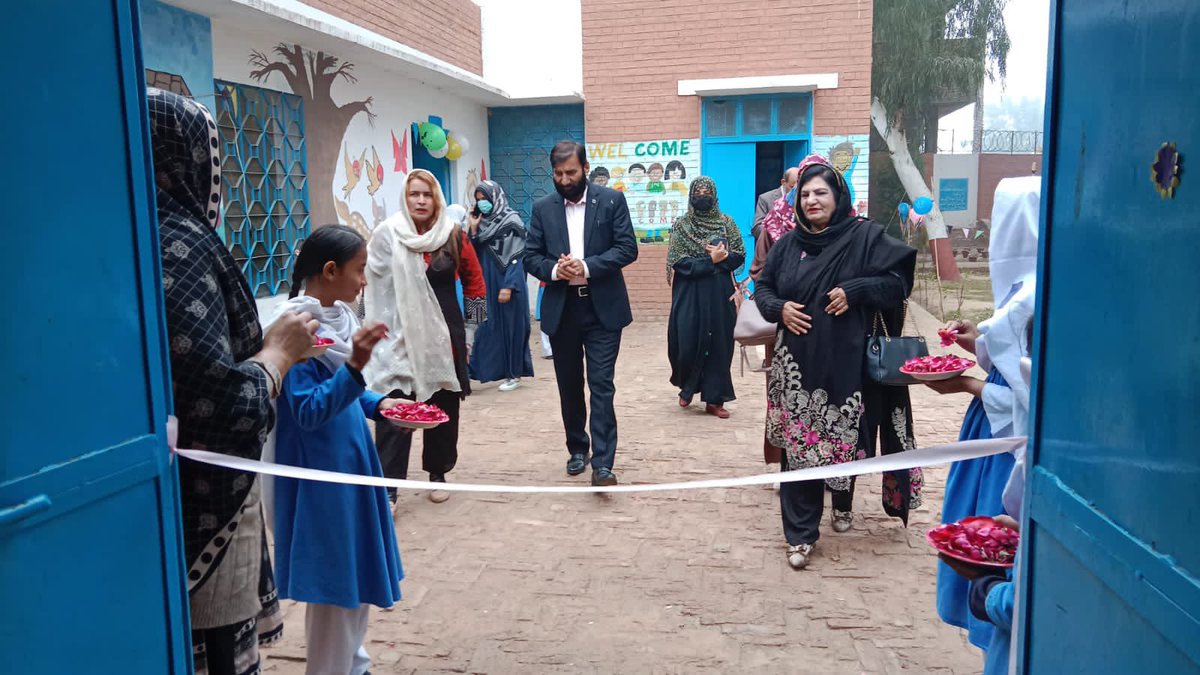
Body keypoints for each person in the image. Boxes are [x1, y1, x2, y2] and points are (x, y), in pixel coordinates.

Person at [147, 88, 317, 675]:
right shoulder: (183, 246)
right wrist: (276, 355)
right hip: (202, 516)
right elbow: (223, 404)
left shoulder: (126, 237)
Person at [754, 154, 922, 570]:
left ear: (838, 196)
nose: (812, 200)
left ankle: (842, 501)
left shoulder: (865, 237)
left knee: (847, 440)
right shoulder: (789, 244)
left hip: (848, 364)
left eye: (821, 193)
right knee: (800, 446)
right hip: (797, 366)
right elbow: (762, 287)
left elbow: (898, 281)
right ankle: (800, 534)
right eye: (805, 194)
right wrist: (779, 310)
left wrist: (857, 290)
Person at [271, 225, 405, 675]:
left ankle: (354, 664)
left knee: (358, 578)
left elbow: (345, 391)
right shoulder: (294, 333)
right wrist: (354, 368)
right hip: (322, 481)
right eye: (359, 270)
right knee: (334, 587)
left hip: (351, 464)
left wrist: (382, 406)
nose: (363, 280)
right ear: (330, 271)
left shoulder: (337, 322)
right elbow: (308, 411)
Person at [928, 176, 1040, 652]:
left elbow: (1031, 397)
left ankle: (993, 615)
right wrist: (976, 341)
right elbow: (1009, 362)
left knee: (993, 536)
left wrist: (969, 385)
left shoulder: (1039, 297)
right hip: (991, 424)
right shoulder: (1023, 289)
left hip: (1007, 439)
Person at [364, 169, 487, 504]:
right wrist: (367, 329)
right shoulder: (387, 234)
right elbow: (370, 282)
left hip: (443, 338)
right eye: (414, 194)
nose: (420, 200)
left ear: (436, 199)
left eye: (427, 194)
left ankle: (439, 473)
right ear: (405, 198)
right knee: (395, 410)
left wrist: (472, 333)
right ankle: (388, 491)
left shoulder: (452, 235)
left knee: (442, 409)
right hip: (397, 338)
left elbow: (475, 282)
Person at [524, 140, 638, 486]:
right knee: (569, 385)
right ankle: (577, 448)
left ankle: (603, 463)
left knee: (601, 385)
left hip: (602, 308)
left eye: (571, 172)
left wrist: (586, 266)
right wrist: (557, 271)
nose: (564, 179)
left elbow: (626, 248)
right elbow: (531, 257)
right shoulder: (543, 208)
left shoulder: (612, 200)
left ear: (585, 168)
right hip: (564, 310)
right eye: (558, 174)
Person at [666, 177, 745, 418]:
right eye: (697, 192)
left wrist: (722, 259)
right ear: (691, 195)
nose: (702, 195)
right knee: (686, 340)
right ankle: (687, 387)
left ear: (714, 195)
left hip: (719, 294)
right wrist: (710, 261)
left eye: (706, 192)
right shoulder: (682, 225)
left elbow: (739, 255)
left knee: (720, 344)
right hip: (689, 293)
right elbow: (679, 262)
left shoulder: (726, 223)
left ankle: (715, 399)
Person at [749, 172, 804, 469]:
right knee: (783, 397)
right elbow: (759, 274)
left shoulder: (846, 231)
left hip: (830, 332)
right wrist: (780, 302)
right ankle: (786, 465)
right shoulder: (774, 222)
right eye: (799, 189)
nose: (806, 197)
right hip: (785, 328)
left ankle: (829, 470)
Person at [467, 180, 534, 391]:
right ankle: (475, 372)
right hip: (485, 282)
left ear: (495, 197)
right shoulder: (482, 224)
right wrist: (473, 229)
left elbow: (517, 256)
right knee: (482, 327)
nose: (482, 203)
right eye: (478, 200)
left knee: (512, 328)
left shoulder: (512, 221)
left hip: (507, 283)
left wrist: (509, 285)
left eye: (485, 198)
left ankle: (514, 374)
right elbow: (471, 253)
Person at [752, 167, 799, 242]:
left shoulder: (805, 199)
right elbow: (756, 228)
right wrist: (777, 233)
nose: (796, 191)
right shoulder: (766, 199)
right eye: (792, 187)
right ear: (783, 182)